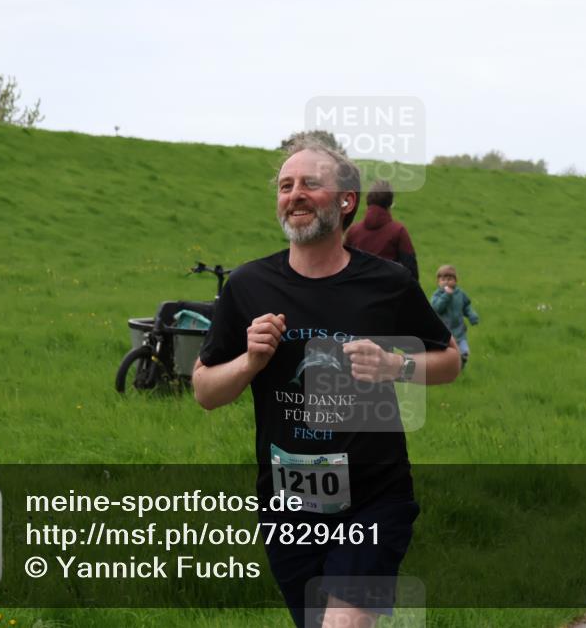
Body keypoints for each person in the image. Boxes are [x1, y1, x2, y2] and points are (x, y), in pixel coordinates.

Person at [192, 137, 461, 628]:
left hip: (374, 501)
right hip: (287, 506)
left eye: (310, 184)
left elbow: (450, 359)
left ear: (346, 201)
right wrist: (250, 361)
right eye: (285, 185)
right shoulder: (249, 287)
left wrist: (395, 366)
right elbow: (206, 391)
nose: (294, 194)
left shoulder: (387, 284)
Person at [344, 180, 419, 281]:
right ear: (390, 203)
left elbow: (342, 267)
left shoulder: (353, 231)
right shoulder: (398, 231)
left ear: (368, 200)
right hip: (388, 292)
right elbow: (411, 269)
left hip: (356, 290)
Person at [430, 265, 480, 369]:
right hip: (445, 333)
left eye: (450, 279)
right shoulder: (437, 295)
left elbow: (466, 306)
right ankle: (447, 369)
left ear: (455, 281)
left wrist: (472, 316)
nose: (447, 282)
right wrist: (446, 296)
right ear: (438, 281)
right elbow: (437, 308)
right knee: (447, 354)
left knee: (464, 352)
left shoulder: (460, 294)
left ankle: (462, 364)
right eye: (443, 279)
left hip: (460, 331)